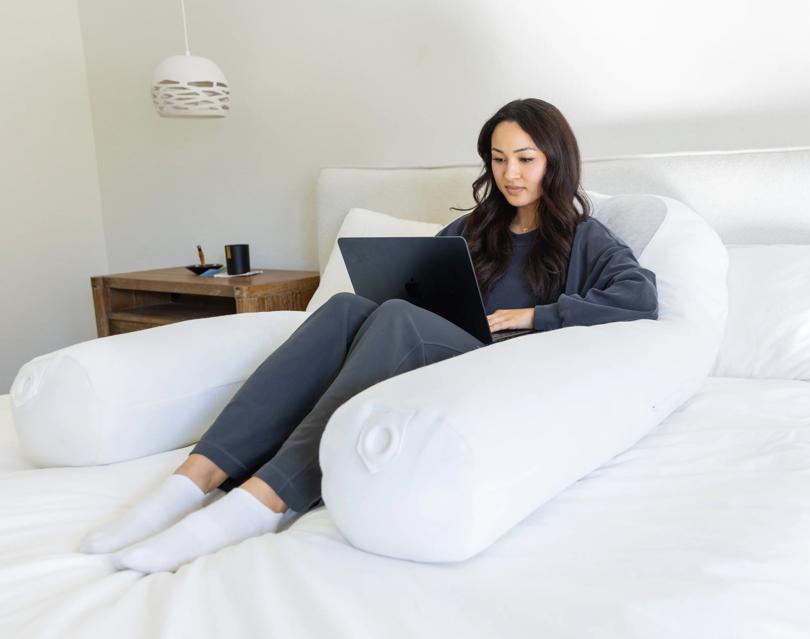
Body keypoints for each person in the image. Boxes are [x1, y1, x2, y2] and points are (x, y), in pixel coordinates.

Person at [77, 98, 659, 573]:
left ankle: (267, 498)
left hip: (488, 365)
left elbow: (640, 298)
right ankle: (192, 480)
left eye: (526, 159)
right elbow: (423, 287)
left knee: (398, 318)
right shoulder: (471, 229)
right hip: (430, 345)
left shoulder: (585, 237)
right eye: (499, 158)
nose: (510, 174)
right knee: (347, 307)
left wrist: (533, 316)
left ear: (555, 161)